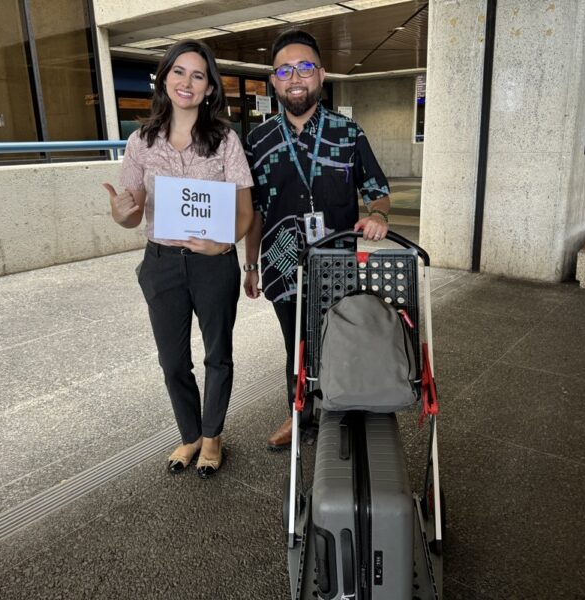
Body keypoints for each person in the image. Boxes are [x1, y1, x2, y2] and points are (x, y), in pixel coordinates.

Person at [103, 40, 254, 478]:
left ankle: (212, 435)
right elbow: (132, 214)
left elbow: (245, 212)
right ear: (165, 78)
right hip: (162, 263)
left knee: (217, 355)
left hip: (213, 263)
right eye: (178, 72)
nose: (187, 82)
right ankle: (190, 435)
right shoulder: (141, 142)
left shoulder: (225, 141)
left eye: (198, 75)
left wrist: (223, 244)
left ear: (209, 88)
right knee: (172, 361)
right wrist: (121, 213)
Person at [243, 29, 391, 450]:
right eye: (285, 70)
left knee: (339, 340)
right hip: (281, 264)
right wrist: (250, 264)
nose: (295, 78)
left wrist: (378, 215)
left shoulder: (348, 133)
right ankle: (299, 415)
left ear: (321, 75)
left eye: (304, 67)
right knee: (295, 345)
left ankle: (339, 410)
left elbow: (377, 190)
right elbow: (254, 210)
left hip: (336, 263)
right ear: (274, 81)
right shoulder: (257, 141)